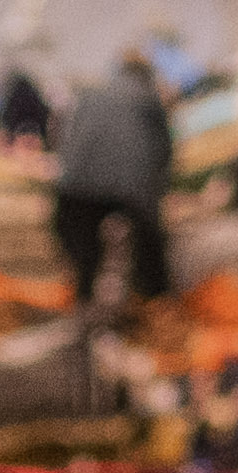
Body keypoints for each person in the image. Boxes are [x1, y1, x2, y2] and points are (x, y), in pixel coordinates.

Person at [49, 44, 179, 318]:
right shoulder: (147, 98)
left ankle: (83, 307)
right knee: (149, 244)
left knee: (84, 251)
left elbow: (63, 137)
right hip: (129, 186)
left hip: (76, 184)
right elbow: (165, 150)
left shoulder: (90, 94)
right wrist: (161, 190)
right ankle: (157, 309)